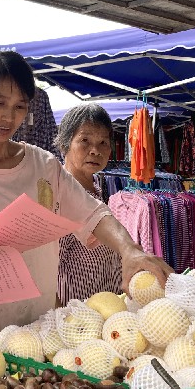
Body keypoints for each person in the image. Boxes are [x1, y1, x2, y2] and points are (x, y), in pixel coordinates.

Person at [0, 51, 173, 356]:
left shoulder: (42, 166)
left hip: (34, 336)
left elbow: (94, 212)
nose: (8, 117)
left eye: (19, 107)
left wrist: (129, 251)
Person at [55, 103, 123, 302]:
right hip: (76, 313)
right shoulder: (59, 196)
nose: (95, 150)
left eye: (103, 142)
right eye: (85, 140)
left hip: (105, 306)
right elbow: (49, 267)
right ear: (65, 145)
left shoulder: (97, 190)